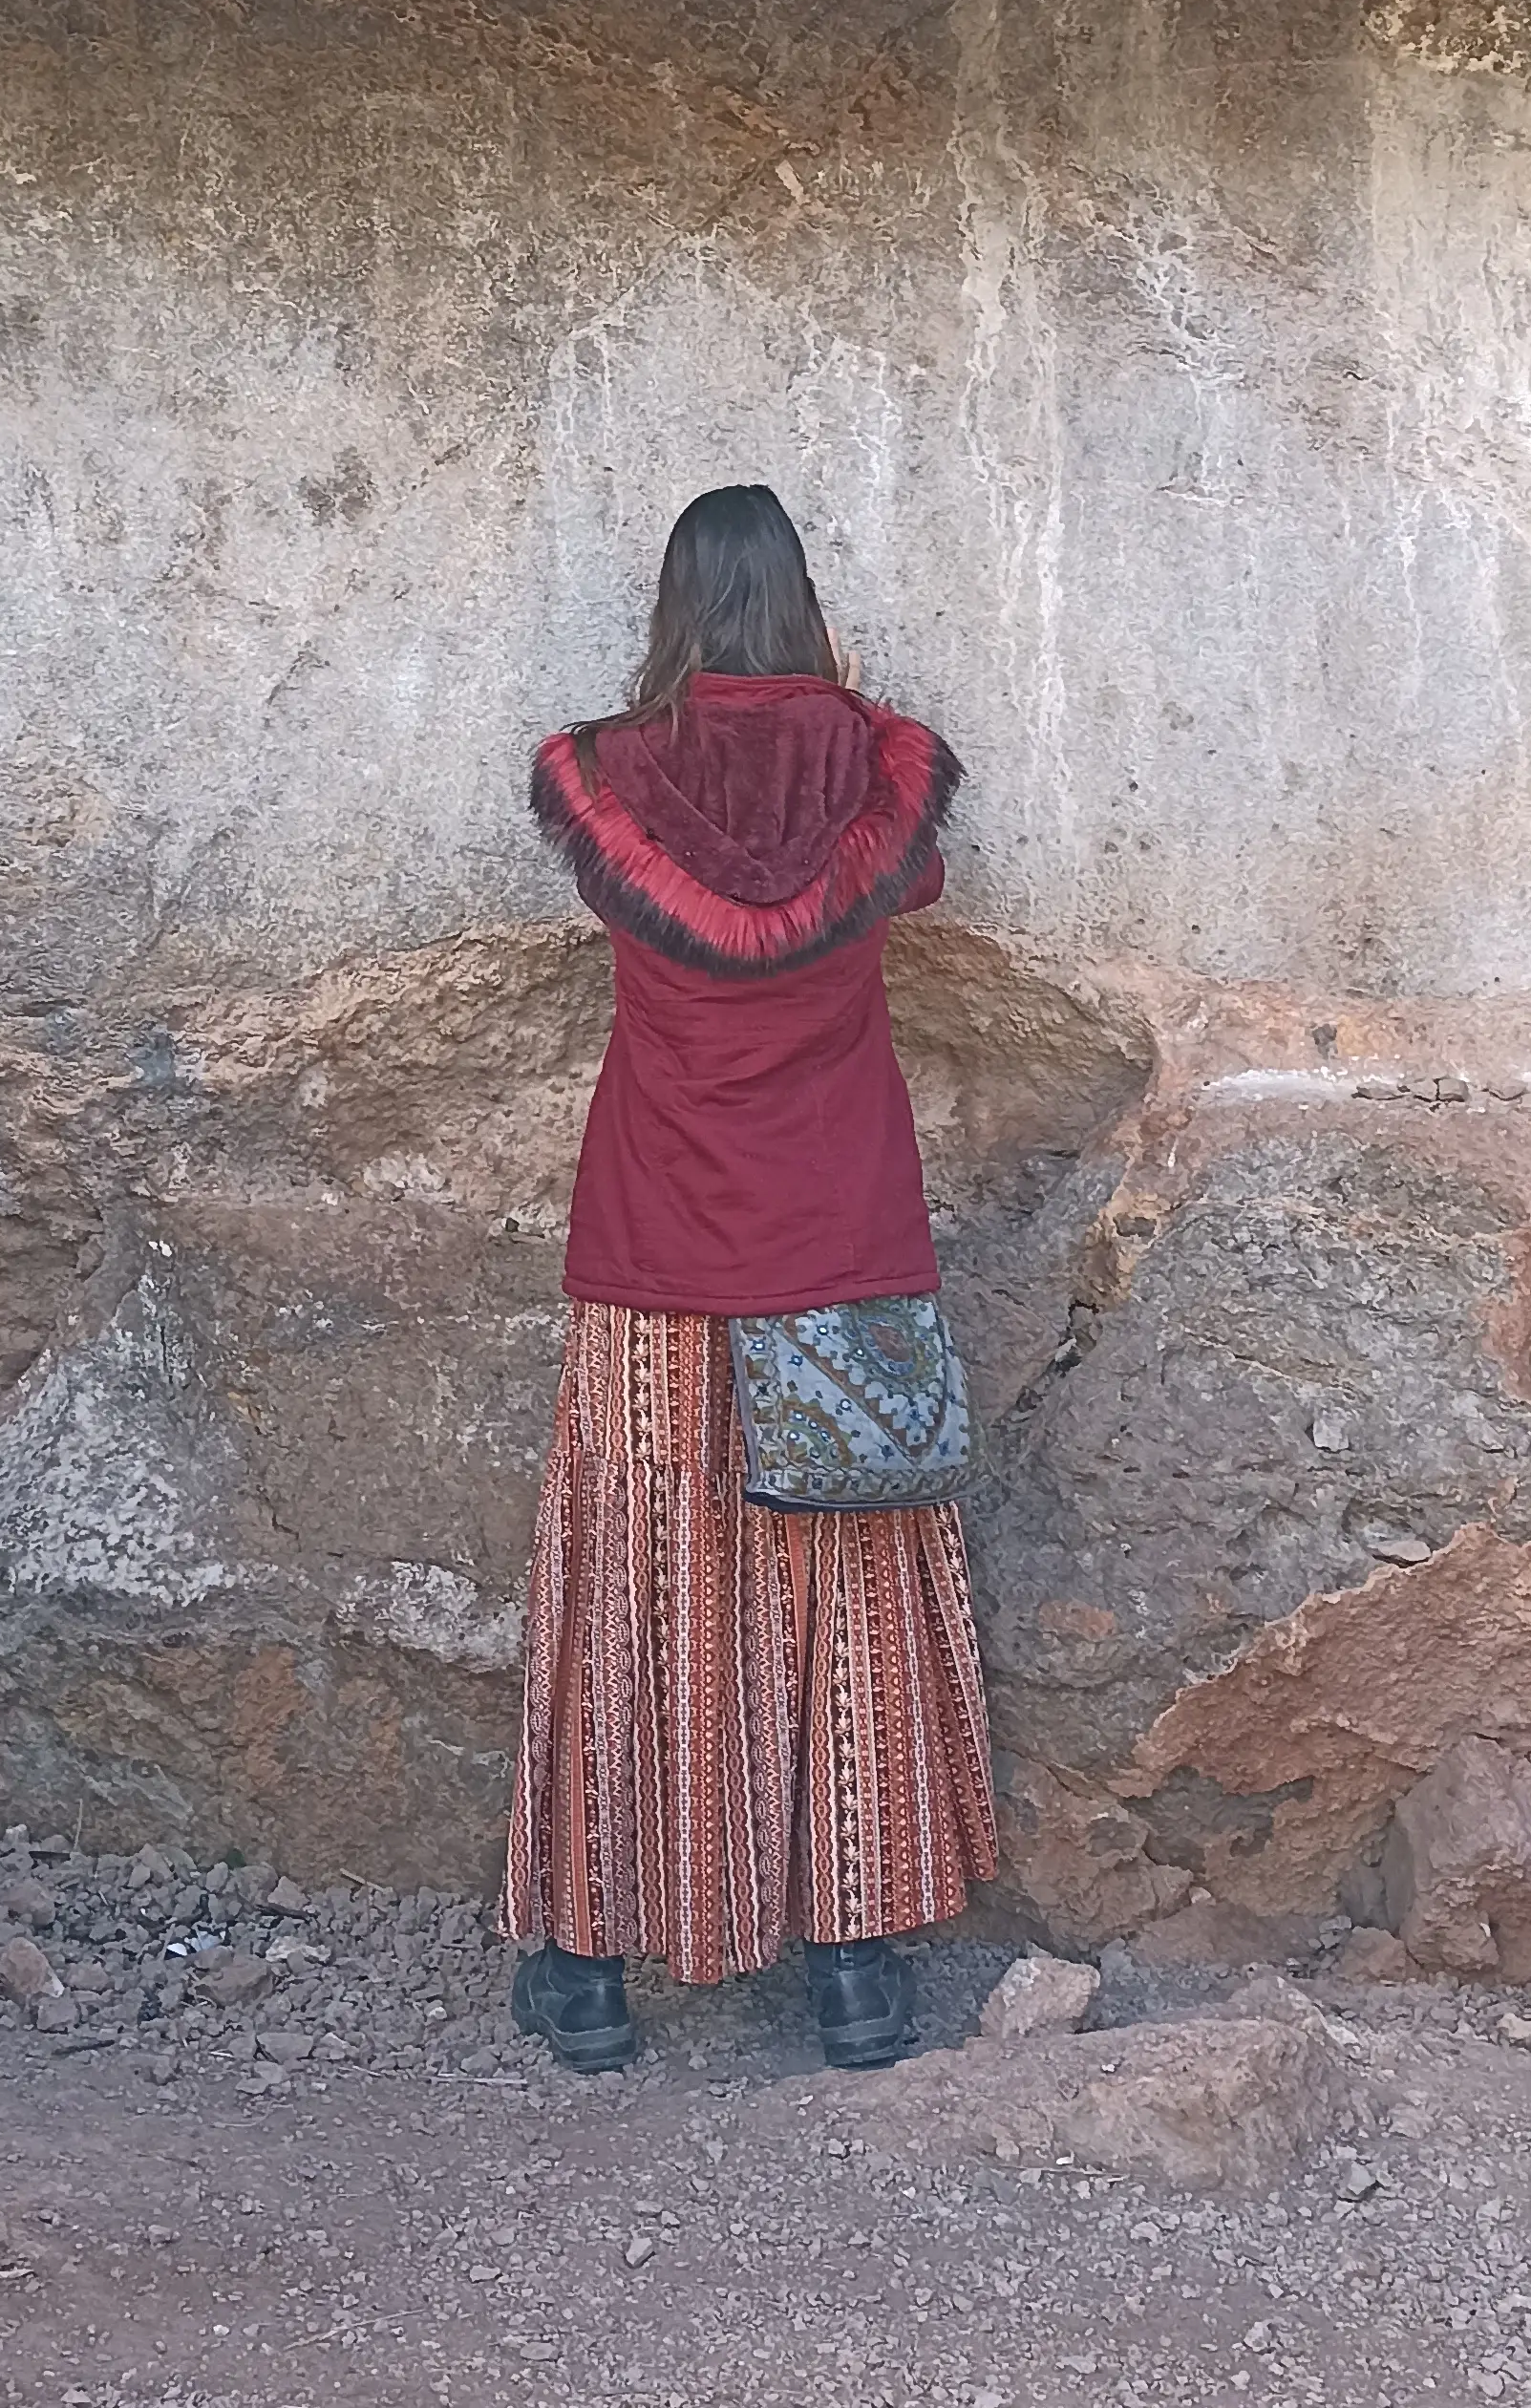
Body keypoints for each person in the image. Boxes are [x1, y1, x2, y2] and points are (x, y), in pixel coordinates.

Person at [500, 483, 999, 2073]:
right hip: (838, 1237)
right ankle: (852, 1976)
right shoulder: (878, 769)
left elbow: (631, 886)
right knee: (841, 1590)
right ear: (803, 602)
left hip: (653, 1242)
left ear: (672, 609)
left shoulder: (607, 779)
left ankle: (585, 1974)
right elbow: (899, 882)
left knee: (638, 1587)